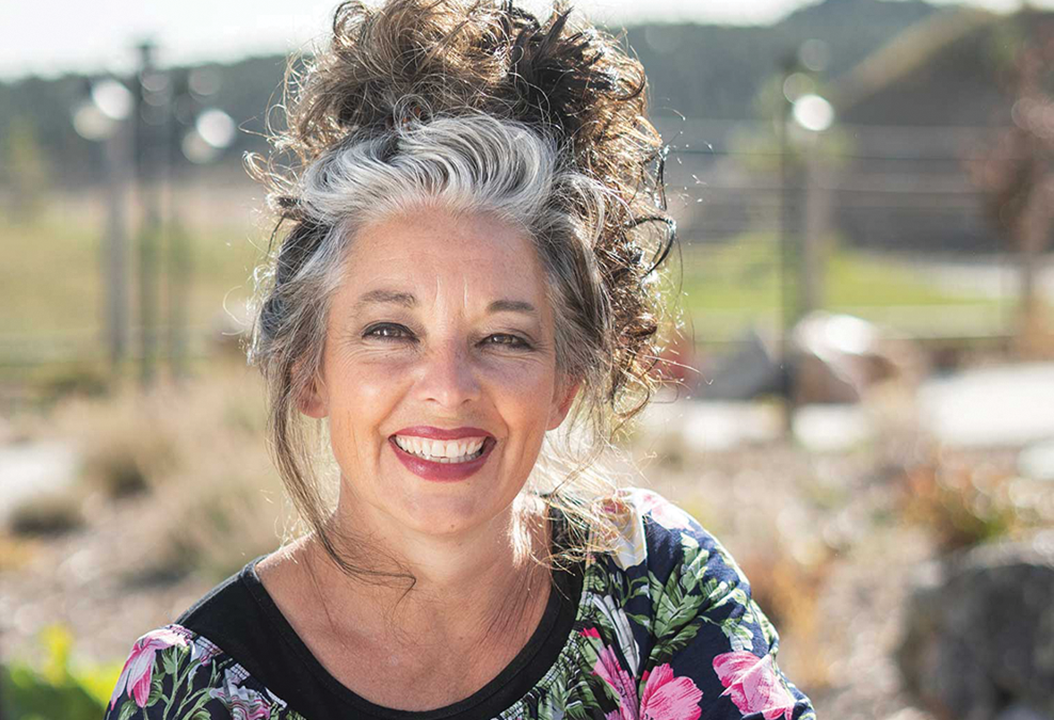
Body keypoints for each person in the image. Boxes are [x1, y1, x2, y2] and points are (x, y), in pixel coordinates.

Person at [105, 0, 816, 718]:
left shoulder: (653, 586)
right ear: (309, 369)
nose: (447, 390)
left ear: (565, 383)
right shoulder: (189, 691)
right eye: (390, 331)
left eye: (504, 339)